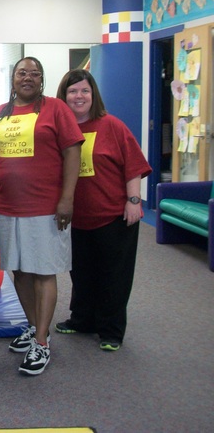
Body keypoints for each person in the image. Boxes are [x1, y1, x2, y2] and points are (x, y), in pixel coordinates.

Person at [0, 56, 83, 376]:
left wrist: (67, 199)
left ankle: (42, 344)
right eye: (22, 72)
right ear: (13, 78)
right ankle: (38, 329)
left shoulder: (56, 110)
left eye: (35, 74)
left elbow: (73, 152)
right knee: (18, 271)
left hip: (47, 208)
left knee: (43, 272)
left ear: (42, 80)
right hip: (8, 207)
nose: (28, 78)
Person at [55, 69, 151, 352]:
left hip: (112, 216)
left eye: (84, 91)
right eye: (72, 91)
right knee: (81, 272)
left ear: (93, 94)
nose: (79, 96)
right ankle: (82, 318)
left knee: (114, 276)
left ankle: (111, 330)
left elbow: (133, 165)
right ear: (64, 97)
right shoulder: (57, 130)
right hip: (75, 217)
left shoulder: (112, 126)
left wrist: (134, 201)